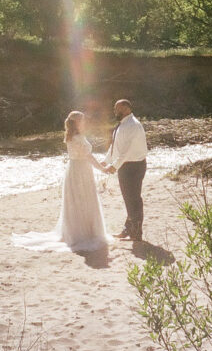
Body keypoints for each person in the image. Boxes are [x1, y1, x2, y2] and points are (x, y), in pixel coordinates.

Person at [12, 110, 109, 252]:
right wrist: (102, 168)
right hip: (80, 170)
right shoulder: (77, 138)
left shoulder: (73, 136)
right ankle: (83, 234)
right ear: (77, 122)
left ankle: (84, 231)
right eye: (82, 120)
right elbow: (88, 156)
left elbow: (86, 155)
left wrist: (100, 165)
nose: (84, 122)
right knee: (82, 199)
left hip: (76, 168)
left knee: (80, 200)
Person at [103, 99, 147, 242]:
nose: (115, 112)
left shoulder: (133, 125)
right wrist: (106, 160)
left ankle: (136, 233)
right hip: (126, 166)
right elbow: (115, 146)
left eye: (118, 109)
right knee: (129, 199)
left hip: (133, 166)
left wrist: (114, 165)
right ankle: (129, 229)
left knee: (133, 199)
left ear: (127, 109)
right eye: (115, 109)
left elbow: (127, 151)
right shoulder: (123, 124)